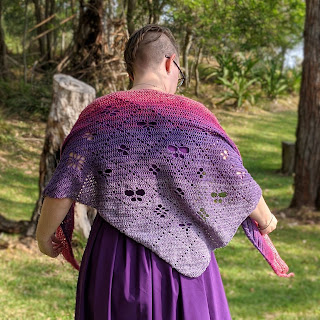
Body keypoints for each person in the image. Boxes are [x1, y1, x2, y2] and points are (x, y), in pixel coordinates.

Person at [36, 24, 293, 320]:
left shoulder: (100, 115)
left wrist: (46, 239)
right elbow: (236, 177)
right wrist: (265, 219)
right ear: (170, 62)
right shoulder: (194, 117)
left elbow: (63, 187)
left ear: (132, 71)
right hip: (188, 267)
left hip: (117, 262)